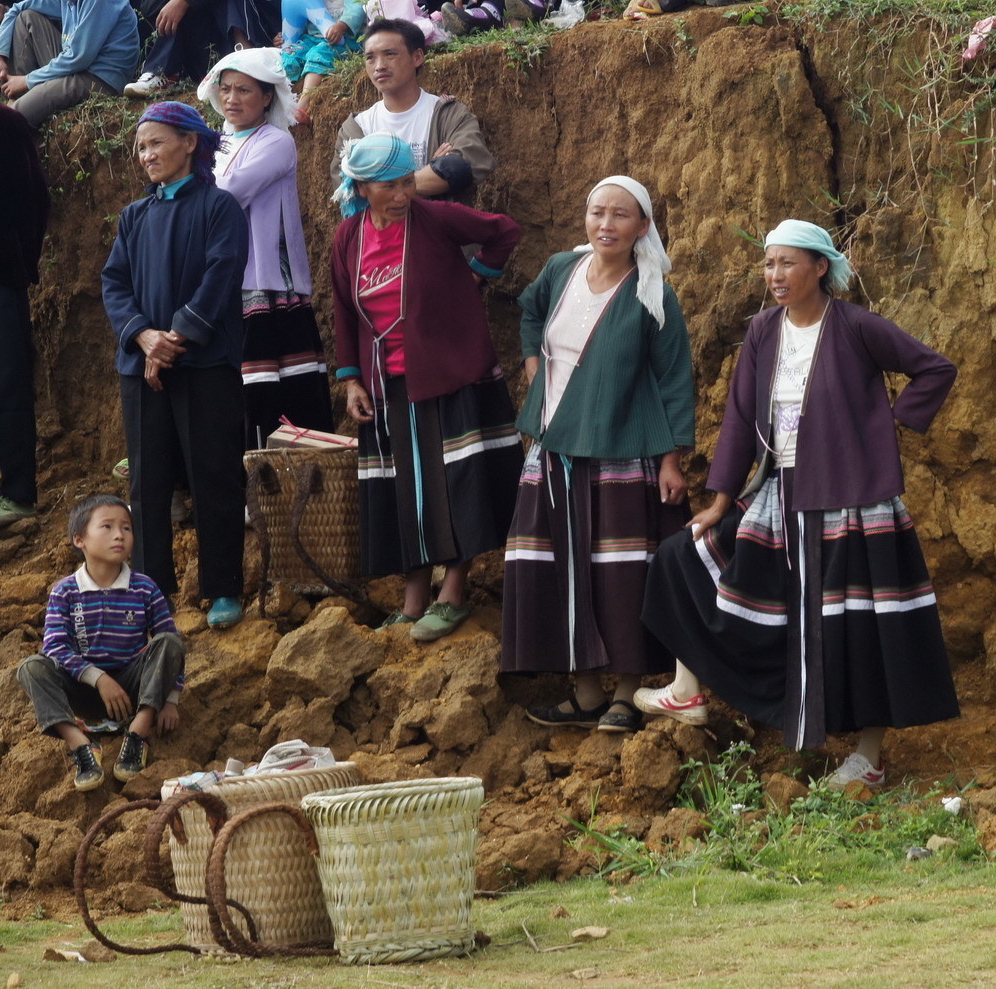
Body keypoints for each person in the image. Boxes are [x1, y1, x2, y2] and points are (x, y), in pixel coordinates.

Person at [637, 219, 959, 787]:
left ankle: (869, 758)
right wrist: (719, 502)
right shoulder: (763, 330)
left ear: (819, 268)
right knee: (680, 556)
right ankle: (688, 691)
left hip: (852, 501)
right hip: (778, 496)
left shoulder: (857, 325)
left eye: (788, 263)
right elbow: (740, 417)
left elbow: (934, 368)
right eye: (769, 264)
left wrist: (884, 428)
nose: (776, 275)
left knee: (861, 627)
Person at [500, 177, 695, 734]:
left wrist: (671, 459)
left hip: (622, 449)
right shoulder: (562, 269)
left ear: (643, 227)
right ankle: (586, 692)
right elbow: (531, 314)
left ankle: (628, 692)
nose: (605, 225)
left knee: (619, 574)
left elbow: (674, 376)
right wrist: (534, 366)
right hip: (553, 446)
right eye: (596, 213)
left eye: (620, 216)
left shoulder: (651, 291)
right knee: (561, 568)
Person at [331, 132, 522, 642]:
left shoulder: (435, 219)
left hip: (448, 373)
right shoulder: (348, 237)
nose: (402, 194)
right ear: (362, 187)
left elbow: (503, 230)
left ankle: (453, 591)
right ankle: (413, 598)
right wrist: (350, 379)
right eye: (388, 185)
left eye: (407, 181)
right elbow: (344, 311)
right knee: (404, 490)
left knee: (454, 483)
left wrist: (475, 277)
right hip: (387, 383)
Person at [101, 101, 249, 630]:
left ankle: (223, 589)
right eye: (141, 147)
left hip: (205, 364)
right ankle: (152, 590)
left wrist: (176, 337)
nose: (147, 155)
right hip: (141, 366)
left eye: (156, 142)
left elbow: (221, 274)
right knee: (148, 481)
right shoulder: (134, 216)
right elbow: (114, 282)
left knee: (214, 475)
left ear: (190, 143)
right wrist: (142, 336)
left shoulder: (220, 207)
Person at [197, 47, 334, 449]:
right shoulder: (216, 142)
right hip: (225, 275)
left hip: (266, 278)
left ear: (268, 97)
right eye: (225, 90)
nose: (231, 99)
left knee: (274, 383)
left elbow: (227, 194)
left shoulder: (276, 140)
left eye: (243, 90)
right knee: (237, 383)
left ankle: (285, 478)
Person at [16, 495, 185, 791]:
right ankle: (80, 744)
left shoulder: (144, 587)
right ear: (79, 539)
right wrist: (99, 679)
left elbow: (169, 647)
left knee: (169, 642)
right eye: (107, 527)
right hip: (84, 693)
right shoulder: (65, 591)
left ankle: (138, 733)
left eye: (126, 528)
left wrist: (170, 700)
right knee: (32, 667)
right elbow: (55, 647)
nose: (119, 535)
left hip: (133, 691)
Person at [330, 18, 495, 206]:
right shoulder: (356, 127)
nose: (379, 66)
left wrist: (379, 186)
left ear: (417, 57)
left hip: (439, 233)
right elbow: (350, 192)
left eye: (390, 54)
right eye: (370, 57)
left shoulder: (448, 114)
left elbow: (469, 163)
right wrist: (430, 174)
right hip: (382, 235)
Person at [0, 101, 48, 528]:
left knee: (8, 383)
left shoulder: (6, 124)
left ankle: (17, 496)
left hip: (0, 277)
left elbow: (34, 199)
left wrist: (18, 263)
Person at [0, 0, 138, 128]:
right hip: (74, 68)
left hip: (99, 78)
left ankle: (20, 106)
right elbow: (18, 8)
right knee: (25, 17)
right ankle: (19, 97)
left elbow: (79, 57)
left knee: (12, 116)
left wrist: (27, 80)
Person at [123, 0, 278, 98]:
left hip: (258, 34)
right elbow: (148, 7)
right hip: (209, 54)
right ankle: (163, 73)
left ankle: (245, 58)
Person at [279, 0, 365, 123]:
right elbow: (298, 16)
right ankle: (284, 100)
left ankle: (305, 102)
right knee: (289, 56)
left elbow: (357, 9)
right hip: (311, 38)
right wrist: (282, 38)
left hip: (345, 40)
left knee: (318, 54)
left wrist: (341, 26)